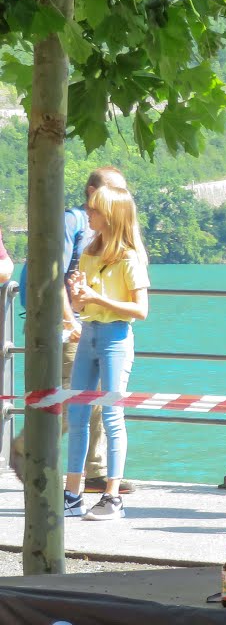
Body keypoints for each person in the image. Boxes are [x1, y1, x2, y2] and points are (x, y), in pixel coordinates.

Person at [14, 167, 129, 495]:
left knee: (96, 395)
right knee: (70, 394)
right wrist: (69, 321)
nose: (120, 197)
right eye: (113, 190)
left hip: (91, 323)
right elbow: (55, 275)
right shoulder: (72, 222)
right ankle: (24, 447)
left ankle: (94, 471)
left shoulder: (102, 229)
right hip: (61, 325)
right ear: (92, 190)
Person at [63, 185, 150, 521]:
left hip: (116, 335)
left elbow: (140, 310)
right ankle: (73, 493)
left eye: (95, 209)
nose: (88, 213)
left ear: (112, 215)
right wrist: (79, 296)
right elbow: (80, 303)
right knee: (77, 415)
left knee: (113, 415)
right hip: (89, 333)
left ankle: (112, 497)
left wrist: (96, 299)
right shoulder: (89, 249)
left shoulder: (129, 256)